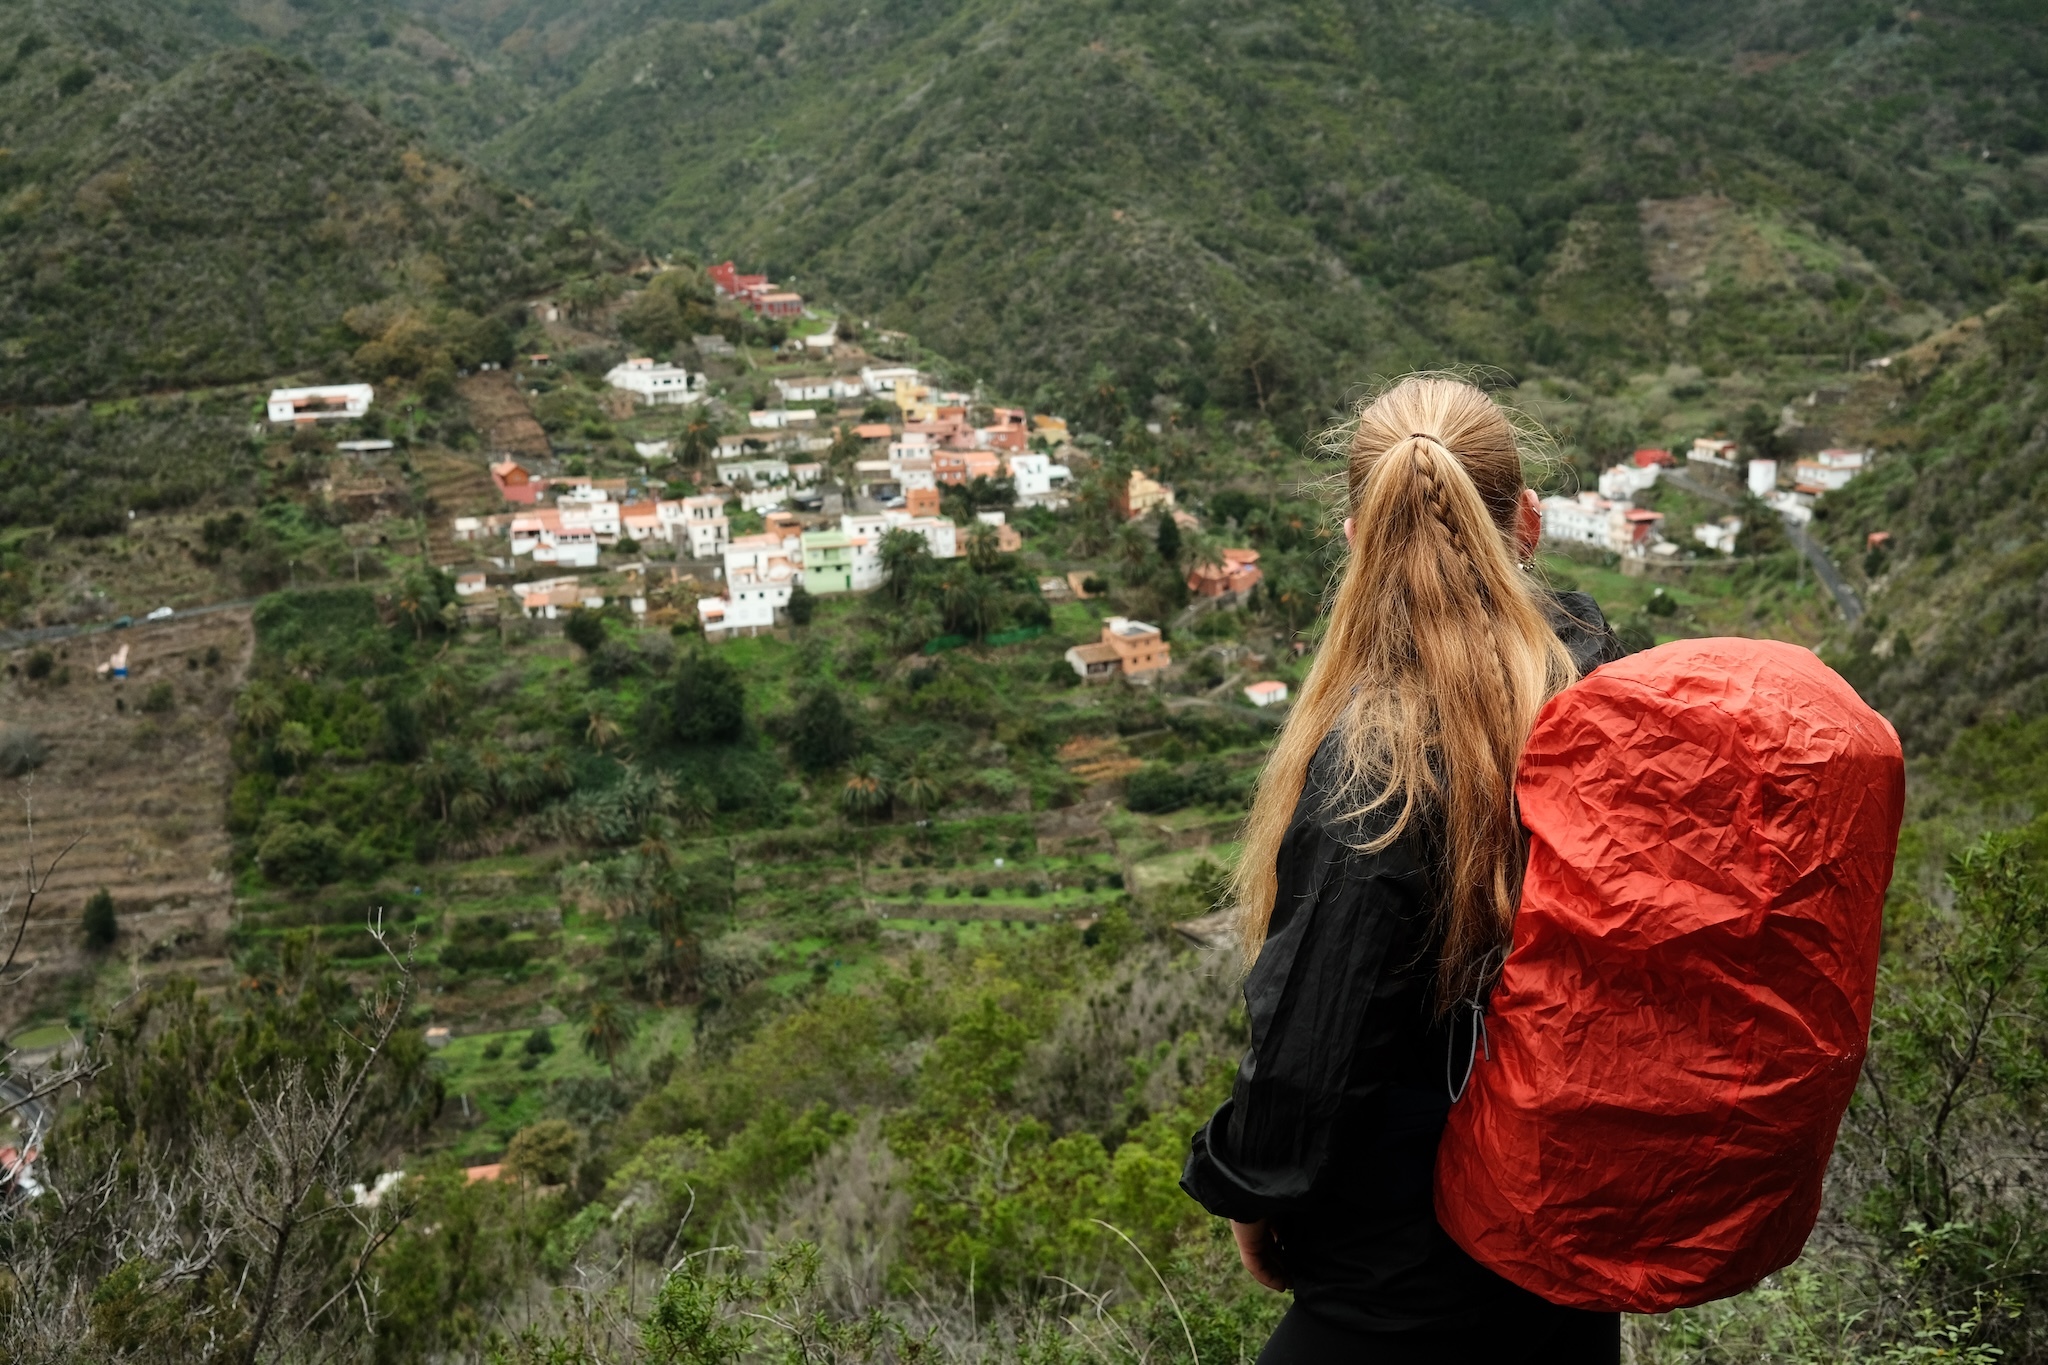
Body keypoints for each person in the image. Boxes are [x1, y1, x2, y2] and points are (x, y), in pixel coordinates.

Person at [1181, 375, 1628, 1363]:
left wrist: (1246, 1191)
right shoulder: (1595, 685)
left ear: (1355, 537)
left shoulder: (1371, 765)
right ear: (1530, 523)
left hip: (1399, 1280)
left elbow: (1309, 1045)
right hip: (1563, 1255)